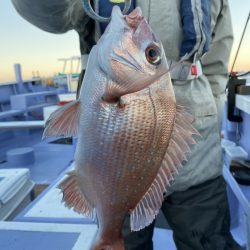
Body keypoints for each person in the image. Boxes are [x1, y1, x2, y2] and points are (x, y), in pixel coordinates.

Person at [11, 0, 241, 249]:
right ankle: (111, 236)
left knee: (209, 241)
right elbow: (51, 14)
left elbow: (216, 64)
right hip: (116, 171)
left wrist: (212, 112)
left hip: (199, 148)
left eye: (150, 54)